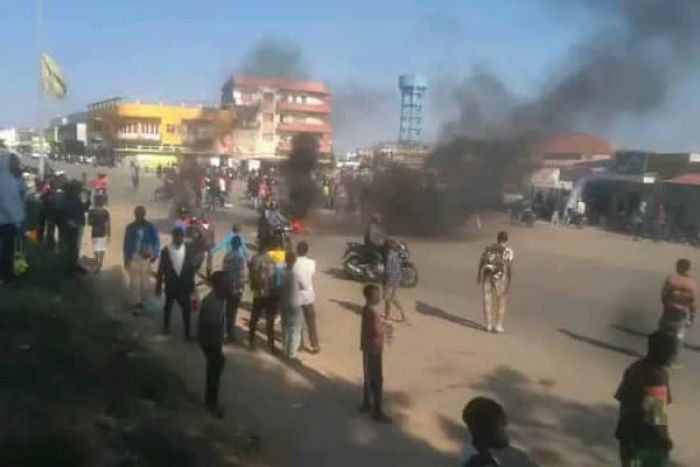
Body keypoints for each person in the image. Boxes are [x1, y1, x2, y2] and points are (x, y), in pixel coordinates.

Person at [615, 331, 676, 467]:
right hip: (646, 443)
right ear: (662, 352)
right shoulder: (658, 375)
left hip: (627, 437)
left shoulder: (633, 368)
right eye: (670, 351)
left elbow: (622, 400)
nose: (672, 355)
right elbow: (656, 414)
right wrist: (664, 439)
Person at [155, 228, 196, 340]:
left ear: (183, 237)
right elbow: (161, 269)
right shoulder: (166, 251)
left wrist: (192, 286)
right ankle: (166, 328)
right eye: (177, 237)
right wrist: (158, 286)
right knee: (168, 307)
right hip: (171, 284)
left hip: (184, 286)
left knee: (186, 310)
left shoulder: (188, 249)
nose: (179, 239)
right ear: (173, 237)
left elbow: (191, 268)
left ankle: (187, 334)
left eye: (181, 237)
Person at [359, 284, 391, 423]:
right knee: (376, 379)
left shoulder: (367, 309)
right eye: (375, 295)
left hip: (369, 348)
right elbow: (377, 331)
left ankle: (367, 403)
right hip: (374, 349)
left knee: (369, 377)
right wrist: (386, 326)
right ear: (368, 297)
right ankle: (377, 410)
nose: (378, 298)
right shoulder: (372, 313)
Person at [197, 270, 228, 418]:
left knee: (215, 367)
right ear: (218, 286)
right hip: (209, 340)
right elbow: (209, 325)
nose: (228, 286)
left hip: (213, 339)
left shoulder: (219, 298)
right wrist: (218, 340)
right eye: (225, 284)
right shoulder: (211, 302)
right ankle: (211, 403)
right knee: (215, 367)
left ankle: (211, 400)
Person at [659, 258, 697, 367]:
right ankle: (672, 359)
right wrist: (691, 318)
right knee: (678, 336)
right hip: (682, 312)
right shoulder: (692, 284)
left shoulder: (671, 279)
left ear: (677, 267)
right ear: (688, 269)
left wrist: (666, 305)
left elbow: (663, 295)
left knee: (664, 333)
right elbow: (692, 302)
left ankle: (659, 356)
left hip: (669, 309)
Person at [123, 206, 160, 312]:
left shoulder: (150, 227)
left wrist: (155, 254)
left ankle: (144, 301)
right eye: (137, 213)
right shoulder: (130, 227)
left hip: (145, 258)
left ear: (144, 214)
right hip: (133, 257)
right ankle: (136, 303)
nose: (138, 215)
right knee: (134, 282)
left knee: (145, 282)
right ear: (135, 214)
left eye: (140, 213)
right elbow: (126, 244)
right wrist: (126, 258)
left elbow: (156, 241)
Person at [477, 231, 514, 334]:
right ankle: (498, 325)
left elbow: (482, 261)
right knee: (501, 301)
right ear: (506, 240)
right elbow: (509, 268)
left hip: (487, 275)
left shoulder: (489, 248)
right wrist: (509, 283)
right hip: (499, 277)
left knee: (487, 300)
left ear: (497, 239)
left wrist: (479, 275)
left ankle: (488, 325)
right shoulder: (508, 251)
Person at [461, 397, 510, 466]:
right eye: (502, 425)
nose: (506, 431)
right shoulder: (483, 464)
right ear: (489, 430)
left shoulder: (479, 460)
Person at [0, 151, 25, 284]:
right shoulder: (6, 180)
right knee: (7, 250)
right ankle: (5, 276)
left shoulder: (13, 178)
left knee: (8, 250)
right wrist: (17, 221)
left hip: (8, 220)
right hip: (8, 221)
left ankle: (6, 274)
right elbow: (8, 202)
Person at [248, 244, 278, 351]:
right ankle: (271, 345)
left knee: (254, 318)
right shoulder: (272, 260)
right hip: (269, 293)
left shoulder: (254, 259)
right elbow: (274, 276)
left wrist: (254, 286)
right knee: (270, 321)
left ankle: (251, 341)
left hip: (258, 292)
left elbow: (251, 274)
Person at [56, 180, 88, 273]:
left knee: (73, 245)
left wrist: (87, 199)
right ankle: (68, 265)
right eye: (78, 189)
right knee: (69, 245)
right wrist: (68, 220)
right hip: (69, 224)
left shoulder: (73, 198)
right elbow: (63, 211)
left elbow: (84, 208)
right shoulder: (68, 198)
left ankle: (71, 264)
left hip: (73, 224)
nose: (78, 191)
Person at [295, 241, 320, 353]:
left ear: (297, 251)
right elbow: (312, 275)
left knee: (298, 322)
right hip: (309, 296)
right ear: (307, 251)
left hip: (297, 296)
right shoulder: (311, 263)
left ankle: (300, 344)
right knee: (311, 322)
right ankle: (314, 345)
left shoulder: (294, 263)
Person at [222, 235, 246, 343]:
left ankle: (227, 332)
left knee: (228, 311)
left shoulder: (227, 256)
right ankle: (231, 334)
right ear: (239, 245)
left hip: (227, 287)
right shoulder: (240, 258)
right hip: (236, 288)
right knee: (233, 311)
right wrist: (241, 288)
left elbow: (224, 271)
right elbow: (241, 275)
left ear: (231, 244)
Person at [281, 251, 303, 361]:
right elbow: (304, 285)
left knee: (285, 327)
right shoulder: (296, 274)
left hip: (283, 302)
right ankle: (292, 353)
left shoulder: (282, 273)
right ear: (294, 261)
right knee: (295, 328)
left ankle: (285, 350)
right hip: (295, 303)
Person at [383, 239, 406, 322]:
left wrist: (384, 278)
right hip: (397, 278)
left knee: (387, 298)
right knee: (393, 297)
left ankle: (387, 316)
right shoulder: (397, 254)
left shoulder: (389, 256)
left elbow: (388, 270)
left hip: (390, 279)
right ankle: (402, 314)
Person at [87, 196, 111, 270]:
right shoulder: (105, 212)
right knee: (102, 248)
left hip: (94, 232)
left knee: (95, 247)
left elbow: (89, 223)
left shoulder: (91, 212)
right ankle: (100, 262)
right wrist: (109, 235)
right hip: (103, 232)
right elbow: (108, 224)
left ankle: (96, 260)